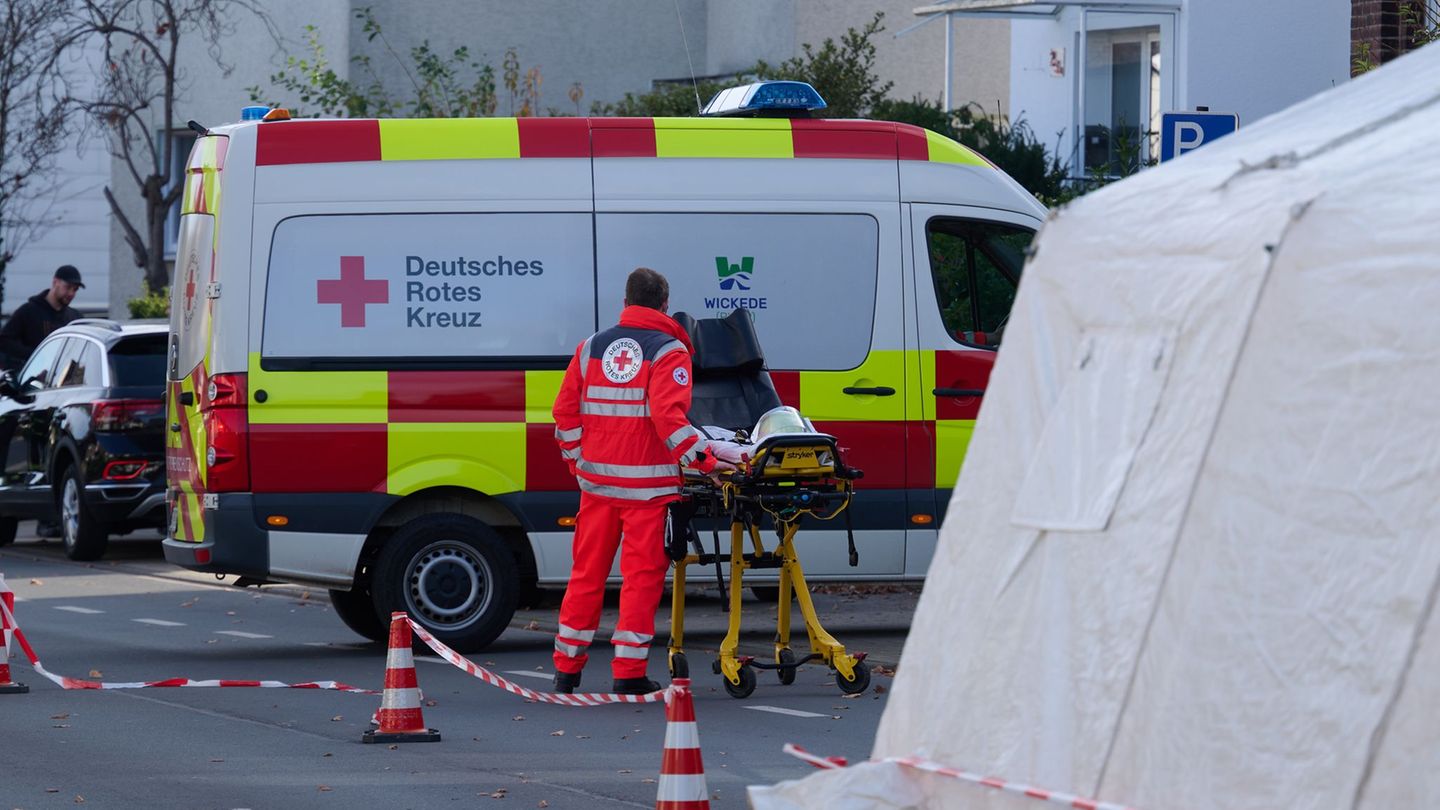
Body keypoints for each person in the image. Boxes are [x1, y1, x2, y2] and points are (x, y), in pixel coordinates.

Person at [550, 267, 734, 695]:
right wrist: (707, 462)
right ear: (665, 304)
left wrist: (580, 463)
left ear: (626, 301)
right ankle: (628, 673)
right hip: (649, 493)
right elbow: (670, 421)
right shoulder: (670, 351)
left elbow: (564, 416)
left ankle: (566, 670)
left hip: (597, 489)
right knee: (640, 581)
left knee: (585, 576)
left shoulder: (590, 347)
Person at [0, 265, 85, 372]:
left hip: (62, 382)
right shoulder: (28, 311)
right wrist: (36, 356)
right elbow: (4, 341)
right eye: (68, 287)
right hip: (30, 380)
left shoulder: (75, 317)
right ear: (55, 282)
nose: (71, 293)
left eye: (75, 289)